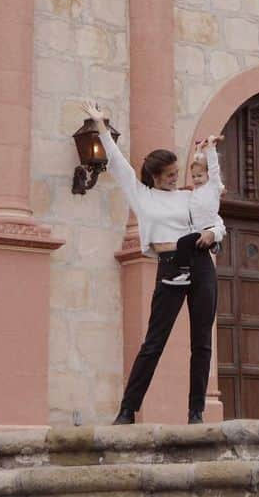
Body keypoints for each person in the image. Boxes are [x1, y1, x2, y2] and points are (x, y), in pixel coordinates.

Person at [79, 100, 223, 425]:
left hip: (200, 263)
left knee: (202, 341)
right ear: (156, 175)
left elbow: (215, 221)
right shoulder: (142, 196)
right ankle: (128, 410)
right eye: (170, 175)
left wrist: (214, 234)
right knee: (154, 341)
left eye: (177, 174)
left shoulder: (190, 196)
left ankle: (196, 412)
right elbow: (117, 165)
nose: (176, 178)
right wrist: (101, 125)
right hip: (170, 264)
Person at [158, 135, 225, 287]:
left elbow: (213, 168)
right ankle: (184, 271)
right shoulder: (193, 192)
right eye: (193, 176)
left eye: (200, 176)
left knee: (184, 243)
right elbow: (198, 164)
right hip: (196, 229)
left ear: (208, 175)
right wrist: (198, 151)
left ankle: (185, 270)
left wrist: (211, 149)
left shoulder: (213, 187)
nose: (196, 179)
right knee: (184, 244)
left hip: (209, 225)